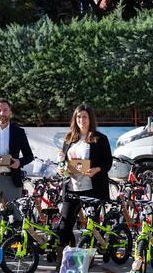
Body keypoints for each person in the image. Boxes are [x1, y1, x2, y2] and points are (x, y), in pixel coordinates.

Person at [56, 104, 113, 246]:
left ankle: (89, 257)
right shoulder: (69, 138)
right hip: (71, 188)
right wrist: (61, 169)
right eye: (79, 117)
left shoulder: (99, 138)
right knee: (64, 225)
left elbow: (108, 162)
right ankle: (64, 258)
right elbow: (63, 161)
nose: (81, 120)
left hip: (92, 188)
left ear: (90, 119)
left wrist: (96, 169)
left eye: (85, 117)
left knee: (91, 226)